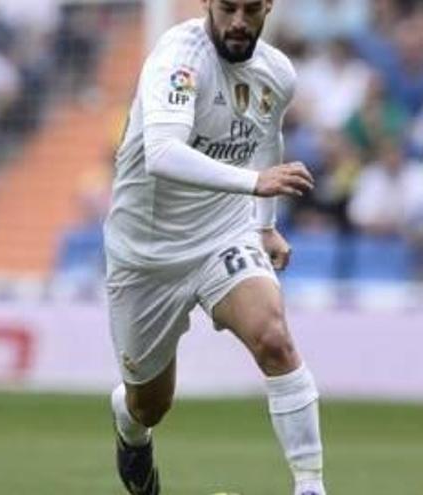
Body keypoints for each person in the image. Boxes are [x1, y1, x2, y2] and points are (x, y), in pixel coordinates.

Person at [104, 1, 325, 494]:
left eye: (251, 8)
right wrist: (254, 183)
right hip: (146, 255)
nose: (239, 21)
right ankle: (129, 422)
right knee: (150, 404)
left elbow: (268, 134)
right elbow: (162, 154)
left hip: (222, 234)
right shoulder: (178, 58)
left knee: (274, 337)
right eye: (228, 7)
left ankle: (310, 485)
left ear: (269, 6)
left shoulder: (277, 72)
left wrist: (264, 227)